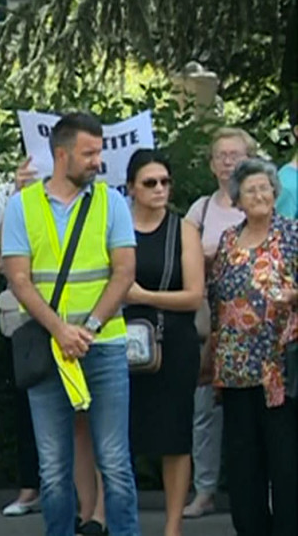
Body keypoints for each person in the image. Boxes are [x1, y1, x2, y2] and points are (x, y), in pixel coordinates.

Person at [0, 112, 140, 536]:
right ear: (61, 155)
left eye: (98, 152)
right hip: (50, 347)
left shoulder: (111, 201)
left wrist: (90, 327)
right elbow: (19, 280)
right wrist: (61, 331)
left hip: (104, 344)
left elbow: (124, 272)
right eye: (89, 153)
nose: (98, 161)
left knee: (114, 461)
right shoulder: (21, 206)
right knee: (53, 466)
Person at [205, 158, 298, 536]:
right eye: (250, 190)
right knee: (244, 465)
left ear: (275, 194)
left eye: (265, 188)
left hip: (280, 369)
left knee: (286, 463)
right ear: (238, 200)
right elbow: (216, 301)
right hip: (234, 370)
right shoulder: (228, 241)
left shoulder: (292, 234)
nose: (259, 194)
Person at [124, 149, 204, 536]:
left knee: (175, 436)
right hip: (120, 343)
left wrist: (143, 296)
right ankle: (115, 519)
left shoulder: (183, 229)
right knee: (118, 437)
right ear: (131, 189)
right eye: (150, 183)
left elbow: (193, 296)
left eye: (165, 182)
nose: (159, 189)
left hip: (172, 343)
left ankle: (173, 526)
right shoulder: (116, 226)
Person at [182, 127, 255, 519]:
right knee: (204, 411)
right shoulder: (201, 210)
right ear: (211, 165)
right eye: (221, 155)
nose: (228, 161)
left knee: (258, 413)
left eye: (235, 154)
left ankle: (263, 491)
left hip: (256, 327)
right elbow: (186, 254)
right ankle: (204, 490)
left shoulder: (260, 201)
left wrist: (216, 253)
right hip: (208, 323)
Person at [0, 157, 44, 519]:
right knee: (28, 405)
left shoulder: (93, 195)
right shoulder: (8, 195)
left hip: (80, 315)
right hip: (24, 318)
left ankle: (84, 495)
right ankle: (30, 488)